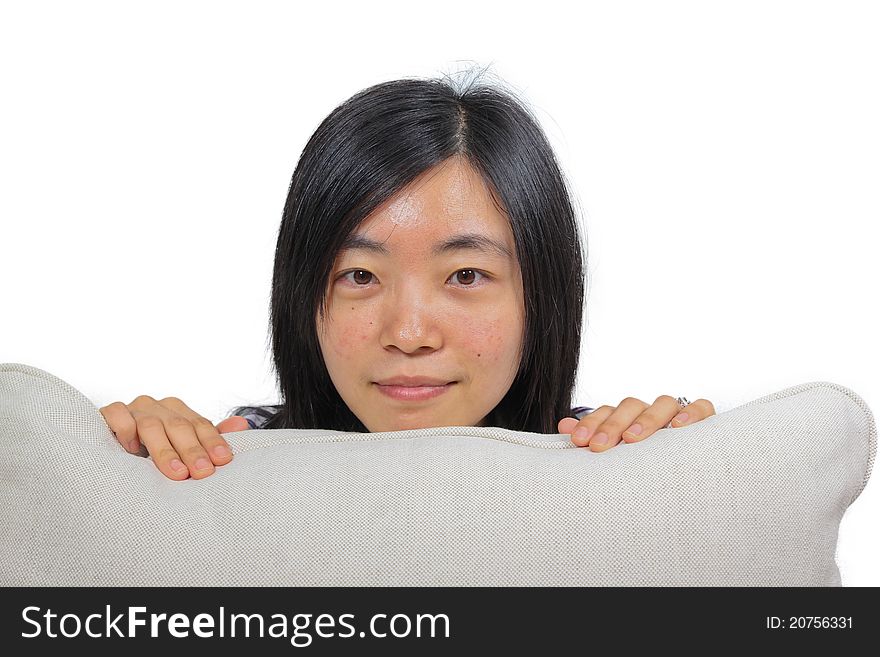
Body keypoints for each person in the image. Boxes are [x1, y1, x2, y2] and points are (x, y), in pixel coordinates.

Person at [99, 70, 715, 481]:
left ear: (542, 297)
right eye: (361, 276)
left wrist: (693, 450)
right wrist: (110, 454)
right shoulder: (232, 457)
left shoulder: (605, 460)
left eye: (467, 275)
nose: (410, 333)